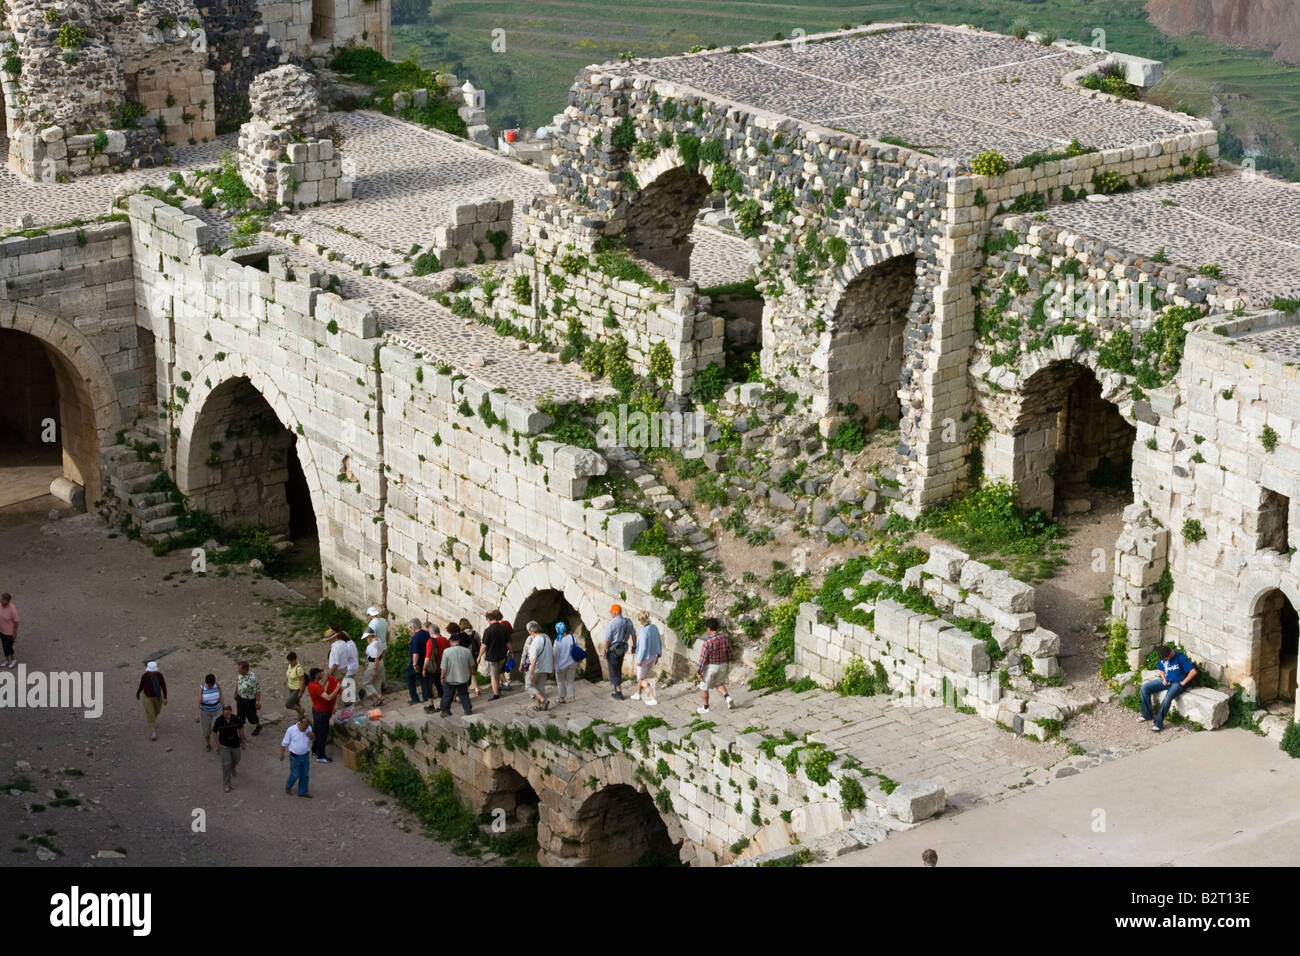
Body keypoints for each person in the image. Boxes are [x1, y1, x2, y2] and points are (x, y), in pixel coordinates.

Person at [1139, 644, 1198, 732]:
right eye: (1163, 660)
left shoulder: (1180, 657)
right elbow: (1162, 669)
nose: (1165, 661)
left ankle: (1158, 723)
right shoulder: (1163, 657)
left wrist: (1183, 682)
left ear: (1170, 653)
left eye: (1166, 659)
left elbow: (1193, 672)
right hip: (1167, 681)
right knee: (1144, 688)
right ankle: (1146, 714)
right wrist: (1163, 679)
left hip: (1178, 683)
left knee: (1168, 698)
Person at [696, 618, 735, 714]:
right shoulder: (725, 638)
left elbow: (703, 659)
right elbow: (730, 653)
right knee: (719, 683)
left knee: (703, 686)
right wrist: (728, 662)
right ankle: (727, 697)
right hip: (724, 665)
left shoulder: (707, 642)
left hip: (712, 667)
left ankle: (706, 707)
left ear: (709, 629)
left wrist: (699, 672)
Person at [306, 667, 341, 762]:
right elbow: (328, 698)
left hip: (316, 710)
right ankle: (321, 756)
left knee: (316, 731)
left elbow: (320, 690)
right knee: (323, 734)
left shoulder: (311, 684)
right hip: (321, 713)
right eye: (320, 673)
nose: (322, 674)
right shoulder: (316, 686)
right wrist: (337, 688)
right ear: (316, 675)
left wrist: (325, 681)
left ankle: (314, 750)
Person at [211, 703, 247, 792]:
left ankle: (233, 767)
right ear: (223, 712)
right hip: (224, 746)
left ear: (231, 712)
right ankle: (226, 783)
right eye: (225, 713)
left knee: (237, 759)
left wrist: (243, 741)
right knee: (226, 764)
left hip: (235, 744)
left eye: (228, 713)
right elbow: (214, 732)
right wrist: (218, 744)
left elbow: (240, 729)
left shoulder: (235, 718)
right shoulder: (219, 720)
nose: (227, 715)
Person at [603, 604, 635, 700]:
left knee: (613, 670)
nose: (611, 614)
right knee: (618, 668)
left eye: (611, 612)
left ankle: (619, 692)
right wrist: (634, 646)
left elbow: (607, 640)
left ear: (615, 612)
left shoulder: (612, 624)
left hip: (613, 650)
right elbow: (634, 634)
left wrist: (605, 650)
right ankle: (617, 690)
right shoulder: (628, 622)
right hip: (622, 649)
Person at [439, 632, 475, 717]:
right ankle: (468, 710)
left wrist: (442, 677)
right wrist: (471, 674)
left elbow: (444, 667)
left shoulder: (446, 652)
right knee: (464, 694)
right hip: (463, 677)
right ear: (459, 640)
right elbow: (471, 665)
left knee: (447, 695)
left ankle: (445, 711)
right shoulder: (466, 651)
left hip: (450, 678)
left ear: (450, 641)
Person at [281, 714, 315, 798]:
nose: (305, 728)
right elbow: (284, 743)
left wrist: (312, 736)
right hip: (294, 757)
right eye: (303, 726)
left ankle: (303, 792)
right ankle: (288, 786)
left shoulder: (308, 729)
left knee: (305, 774)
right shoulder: (291, 730)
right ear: (299, 723)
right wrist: (282, 754)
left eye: (307, 726)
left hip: (305, 756)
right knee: (295, 774)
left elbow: (313, 738)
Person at [480, 609, 512, 700]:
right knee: (499, 673)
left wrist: (479, 657)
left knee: (494, 676)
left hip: (493, 657)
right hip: (502, 654)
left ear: (488, 619)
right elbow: (508, 642)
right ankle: (499, 689)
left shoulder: (488, 630)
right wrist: (511, 651)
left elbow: (484, 646)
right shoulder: (503, 628)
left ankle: (496, 695)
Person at [523, 621, 554, 711]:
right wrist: (552, 669)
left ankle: (543, 700)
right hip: (546, 668)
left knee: (528, 686)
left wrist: (531, 673)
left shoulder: (535, 642)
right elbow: (552, 654)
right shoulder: (547, 639)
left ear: (532, 632)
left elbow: (533, 660)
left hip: (536, 668)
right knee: (540, 688)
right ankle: (539, 706)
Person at [634, 611, 661, 706]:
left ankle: (652, 699)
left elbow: (642, 648)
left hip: (644, 659)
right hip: (653, 656)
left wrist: (638, 660)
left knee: (641, 680)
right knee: (641, 676)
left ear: (641, 620)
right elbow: (659, 640)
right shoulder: (654, 628)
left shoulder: (643, 632)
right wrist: (659, 652)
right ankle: (637, 693)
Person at [136, 661, 168, 741]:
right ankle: (153, 731)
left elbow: (163, 686)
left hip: (157, 697)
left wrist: (165, 697)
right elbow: (141, 685)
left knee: (157, 711)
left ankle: (152, 721)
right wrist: (138, 693)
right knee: (151, 713)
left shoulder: (159, 676)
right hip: (147, 697)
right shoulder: (145, 676)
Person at [194, 673, 224, 750]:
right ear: (206, 683)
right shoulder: (202, 688)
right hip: (205, 712)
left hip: (217, 710)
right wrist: (196, 714)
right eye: (209, 684)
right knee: (206, 729)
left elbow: (221, 697)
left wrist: (224, 708)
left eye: (212, 684)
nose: (211, 686)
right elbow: (199, 701)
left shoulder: (217, 686)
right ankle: (208, 744)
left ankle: (219, 744)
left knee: (218, 728)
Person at [552, 622, 579, 704]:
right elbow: (576, 648)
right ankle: (572, 698)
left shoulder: (557, 641)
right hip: (572, 663)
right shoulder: (572, 637)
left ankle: (562, 698)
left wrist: (554, 667)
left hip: (561, 665)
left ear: (558, 630)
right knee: (570, 681)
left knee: (561, 682)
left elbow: (555, 655)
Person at [234, 660, 262, 736]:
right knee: (240, 717)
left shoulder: (252, 679)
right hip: (240, 699)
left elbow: (258, 691)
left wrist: (257, 703)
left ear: (245, 670)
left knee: (252, 718)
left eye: (239, 669)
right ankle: (241, 736)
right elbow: (238, 683)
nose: (238, 670)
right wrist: (235, 693)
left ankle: (258, 725)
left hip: (249, 701)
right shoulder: (239, 675)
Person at [407, 618, 430, 706]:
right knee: (423, 680)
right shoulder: (427, 633)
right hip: (425, 661)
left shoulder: (415, 637)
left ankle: (415, 698)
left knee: (410, 679)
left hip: (417, 663)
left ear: (413, 627)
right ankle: (426, 697)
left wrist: (414, 664)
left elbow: (415, 653)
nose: (410, 629)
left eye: (410, 627)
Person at [459, 618, 482, 698]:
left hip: (464, 657)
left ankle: (475, 689)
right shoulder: (475, 633)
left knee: (468, 674)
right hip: (475, 656)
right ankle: (475, 689)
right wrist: (479, 656)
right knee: (473, 672)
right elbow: (480, 644)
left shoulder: (460, 635)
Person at [362, 629, 386, 705]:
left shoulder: (373, 645)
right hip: (380, 662)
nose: (366, 639)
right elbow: (382, 652)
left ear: (369, 636)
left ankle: (378, 696)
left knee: (366, 682)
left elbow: (375, 657)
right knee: (377, 681)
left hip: (374, 664)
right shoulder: (378, 640)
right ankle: (378, 701)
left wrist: (374, 669)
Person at [284, 651, 306, 720]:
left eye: (290, 661)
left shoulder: (299, 669)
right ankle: (301, 716)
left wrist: (300, 692)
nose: (289, 662)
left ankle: (301, 711)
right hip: (290, 688)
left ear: (294, 660)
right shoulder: (290, 665)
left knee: (288, 704)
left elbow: (302, 681)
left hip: (296, 689)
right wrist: (286, 679)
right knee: (295, 703)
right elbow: (288, 673)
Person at [0, 593, 18, 668]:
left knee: (8, 646)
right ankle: (7, 661)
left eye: (3, 600)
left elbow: (16, 621)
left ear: (7, 601)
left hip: (9, 632)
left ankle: (13, 660)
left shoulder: (12, 609)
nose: (1, 601)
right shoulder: (0, 605)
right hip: (1, 630)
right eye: (1, 599)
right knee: (4, 646)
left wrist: (14, 632)